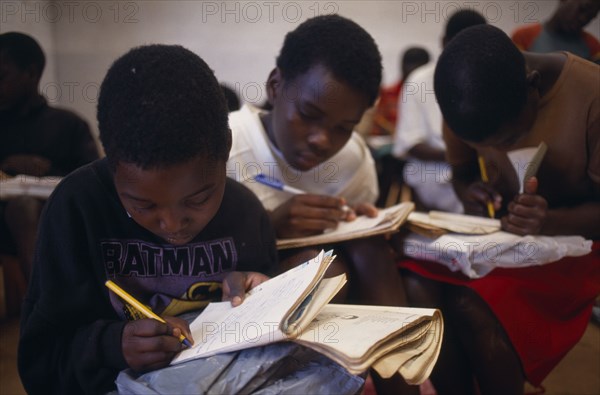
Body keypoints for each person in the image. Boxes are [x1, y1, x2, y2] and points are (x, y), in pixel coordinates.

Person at [18, 44, 281, 394]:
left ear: (227, 147)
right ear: (112, 165)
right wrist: (113, 345)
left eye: (199, 198)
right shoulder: (77, 208)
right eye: (143, 205)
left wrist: (256, 292)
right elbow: (40, 365)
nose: (172, 224)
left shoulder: (245, 213)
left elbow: (274, 334)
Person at [399, 24, 600, 395]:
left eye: (508, 140)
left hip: (577, 249)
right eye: (485, 147)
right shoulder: (463, 99)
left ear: (533, 85)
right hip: (502, 242)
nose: (501, 152)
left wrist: (549, 221)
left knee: (469, 304)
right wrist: (471, 191)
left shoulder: (591, 94)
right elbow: (461, 175)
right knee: (416, 287)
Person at [225, 15, 413, 393]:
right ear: (276, 86)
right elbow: (186, 255)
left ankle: (400, 383)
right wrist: (269, 227)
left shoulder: (354, 159)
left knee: (368, 248)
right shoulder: (224, 147)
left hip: (337, 287)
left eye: (344, 127)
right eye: (309, 115)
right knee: (323, 269)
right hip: (236, 299)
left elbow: (360, 238)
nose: (322, 141)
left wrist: (359, 224)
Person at [0, 32, 99, 284]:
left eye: (2, 76)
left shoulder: (68, 124)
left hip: (53, 218)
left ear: (31, 74)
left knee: (25, 208)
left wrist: (46, 170)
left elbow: (94, 185)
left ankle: (47, 305)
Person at [392, 9, 487, 214]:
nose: (468, 53)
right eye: (461, 45)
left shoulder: (486, 79)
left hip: (480, 173)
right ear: (444, 42)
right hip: (435, 176)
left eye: (475, 47)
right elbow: (411, 144)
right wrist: (459, 156)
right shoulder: (419, 81)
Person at [511, 0, 600, 63]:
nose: (583, 19)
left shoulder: (594, 48)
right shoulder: (523, 37)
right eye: (582, 9)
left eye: (590, 17)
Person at [369, 46, 430, 136]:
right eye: (408, 65)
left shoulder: (431, 97)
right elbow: (377, 124)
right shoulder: (388, 93)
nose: (410, 70)